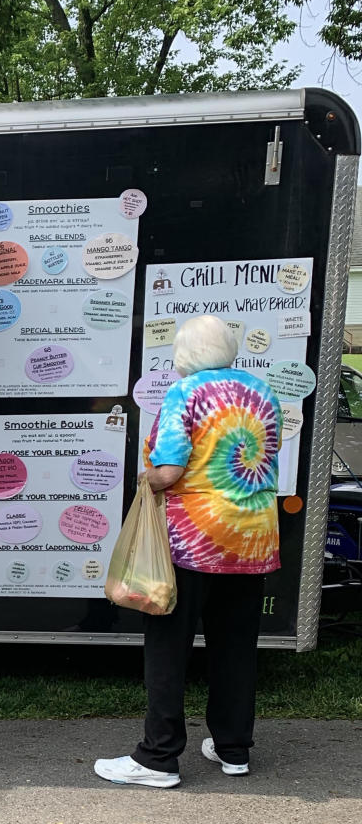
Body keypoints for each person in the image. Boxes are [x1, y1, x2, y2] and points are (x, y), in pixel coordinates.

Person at [95, 314, 282, 789]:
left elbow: (170, 470)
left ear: (186, 353)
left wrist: (147, 478)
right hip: (253, 538)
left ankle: (158, 757)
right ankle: (233, 748)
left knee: (167, 648)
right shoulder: (262, 391)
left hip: (193, 542)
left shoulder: (186, 392)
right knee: (236, 648)